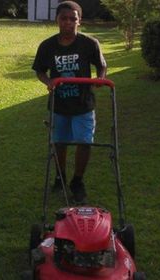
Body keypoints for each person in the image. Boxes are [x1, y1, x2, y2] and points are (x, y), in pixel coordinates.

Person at [32, 1, 107, 204]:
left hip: (83, 104)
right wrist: (49, 82)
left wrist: (100, 78)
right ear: (57, 20)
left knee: (84, 142)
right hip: (60, 105)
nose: (68, 22)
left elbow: (102, 65)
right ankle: (60, 176)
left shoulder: (89, 44)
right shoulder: (47, 46)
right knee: (60, 142)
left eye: (72, 18)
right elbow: (39, 70)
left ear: (79, 21)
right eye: (63, 18)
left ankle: (77, 181)